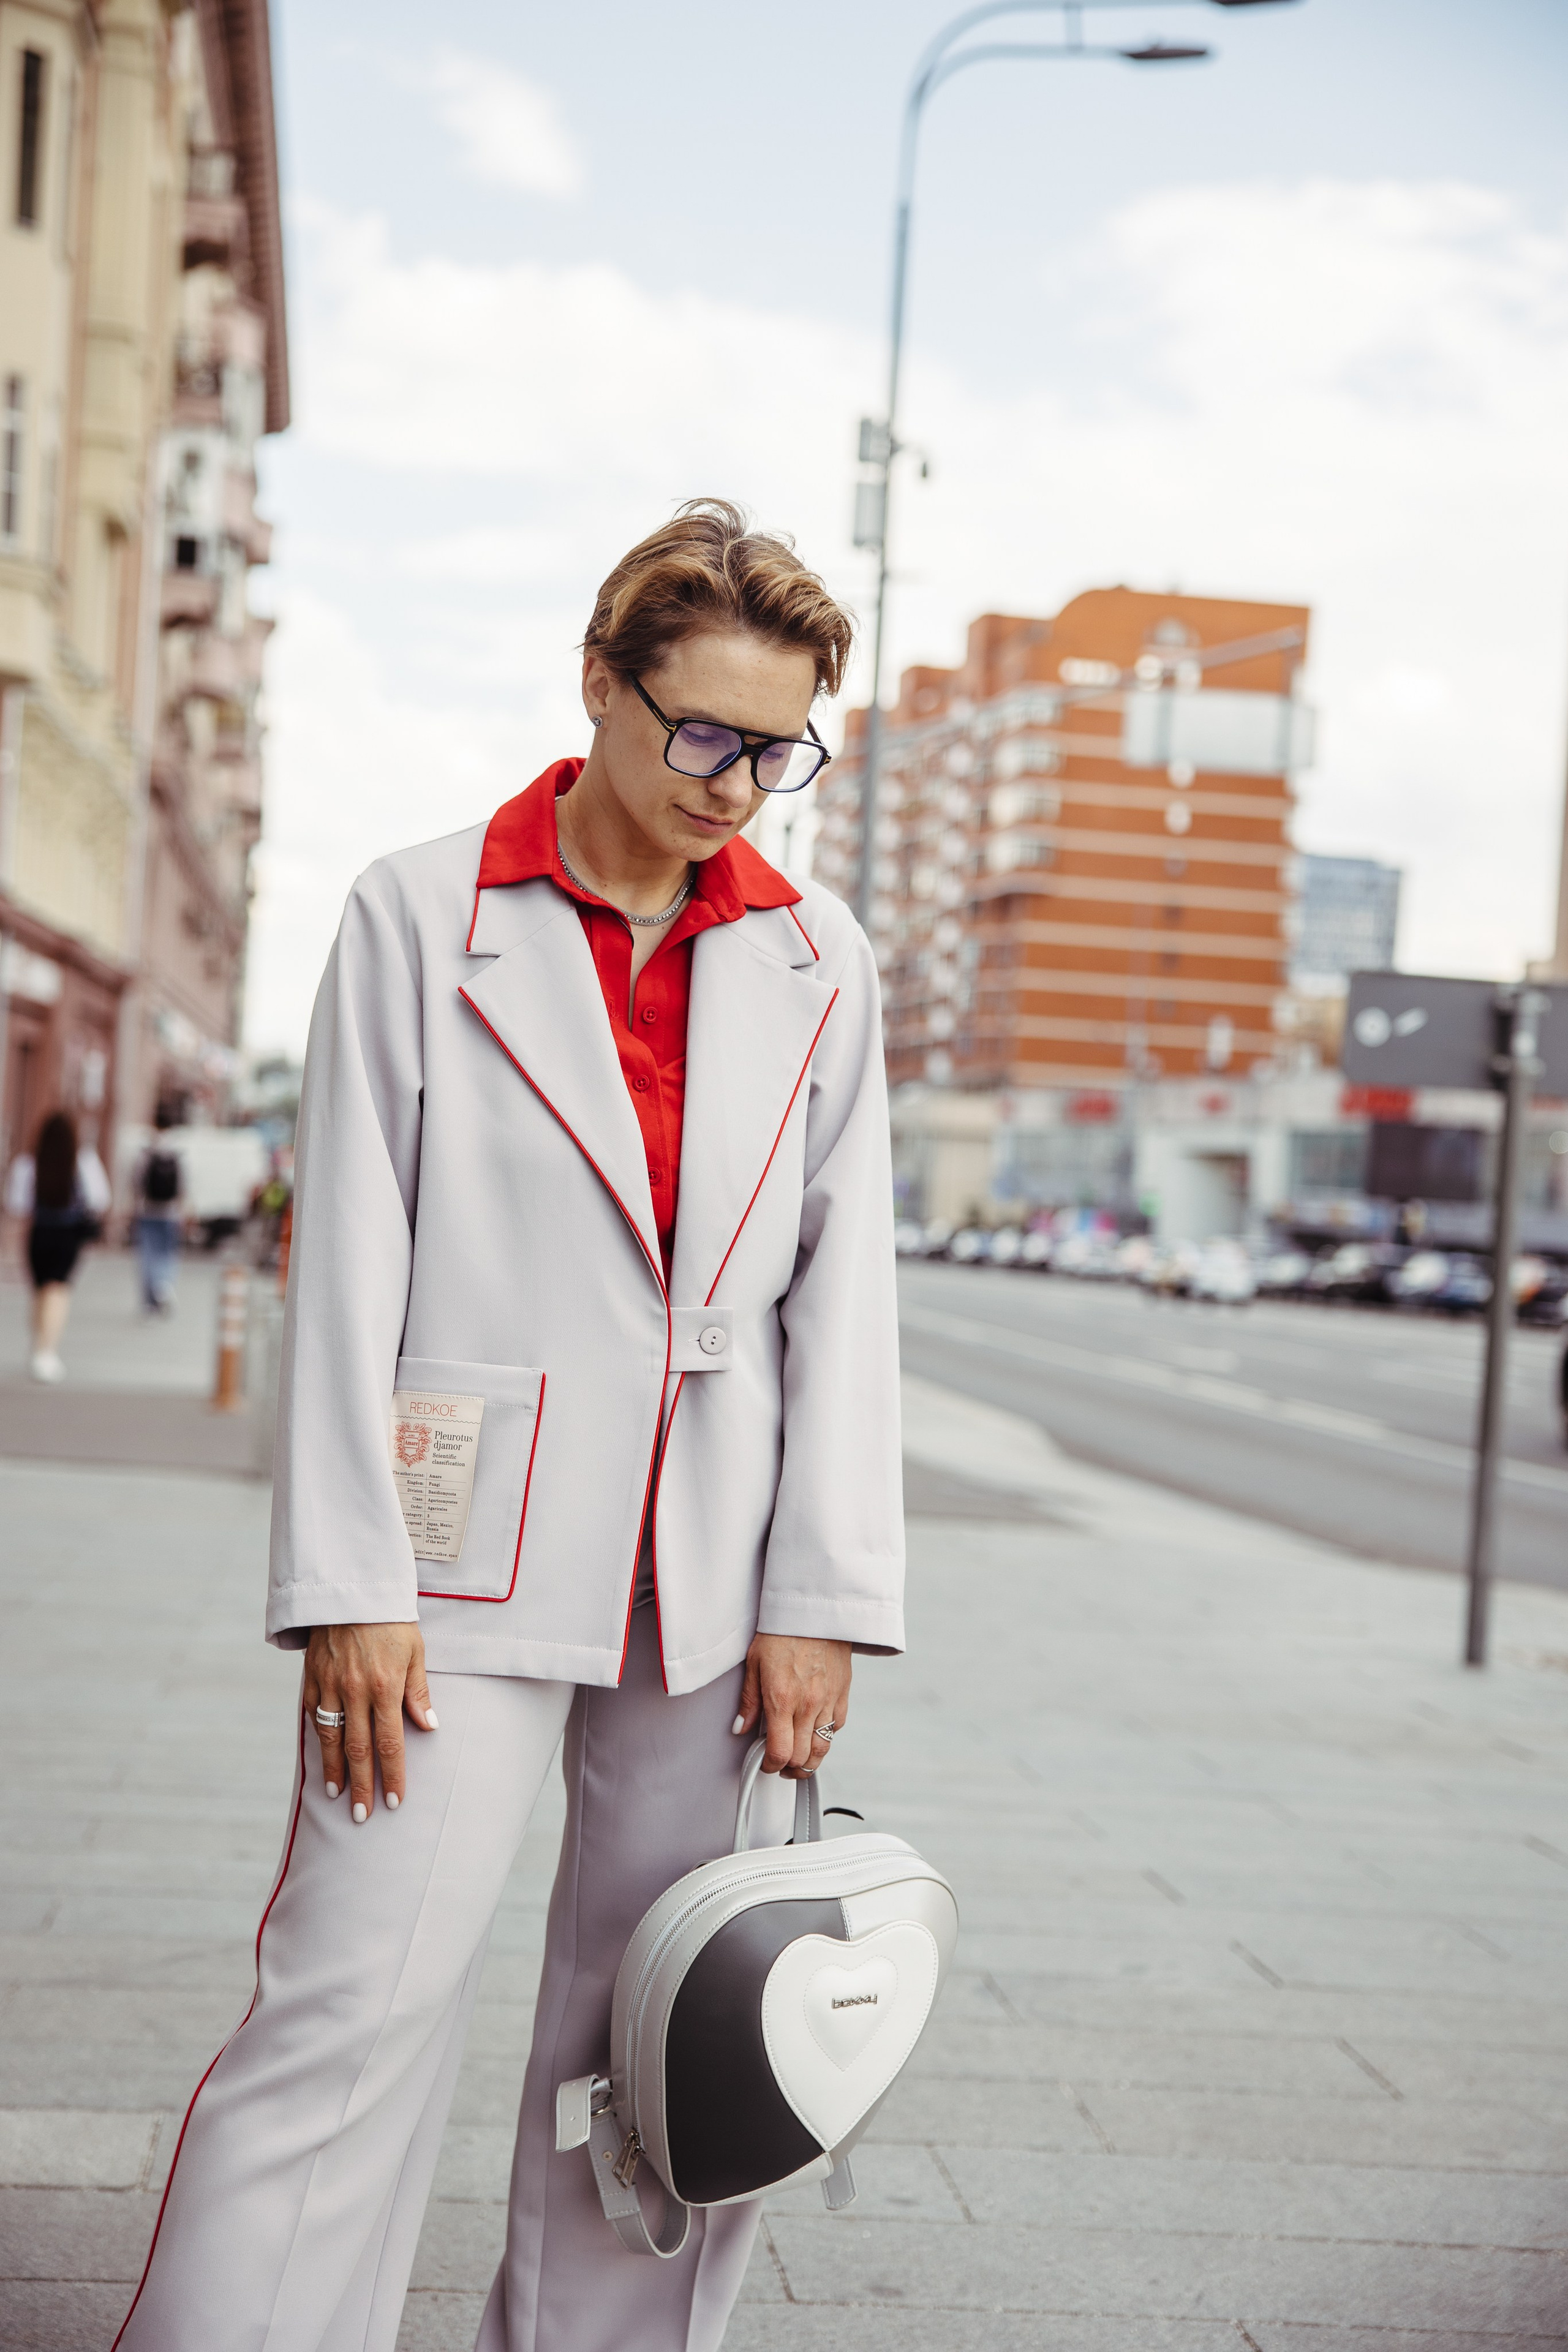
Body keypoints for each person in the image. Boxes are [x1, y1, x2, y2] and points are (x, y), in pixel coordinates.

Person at [115, 499, 904, 2352]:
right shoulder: (418, 908)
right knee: (353, 1996)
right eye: (700, 731)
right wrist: (343, 1580)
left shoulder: (821, 957)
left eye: (776, 749)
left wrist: (825, 1593)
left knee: (660, 2047)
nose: (735, 786)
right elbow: (346, 1264)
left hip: (708, 1585)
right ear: (598, 682)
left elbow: (841, 1297)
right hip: (444, 1562)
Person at [3, 1108, 111, 1381]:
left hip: (40, 1232)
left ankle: (39, 1345)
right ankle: (47, 1350)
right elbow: (100, 1198)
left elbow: (16, 1203)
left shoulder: (29, 1163)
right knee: (58, 1290)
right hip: (68, 1235)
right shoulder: (83, 1161)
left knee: (41, 1291)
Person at [131, 1104, 186, 1312]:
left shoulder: (146, 1150)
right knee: (167, 1254)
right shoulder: (177, 1151)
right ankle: (164, 1285)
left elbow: (136, 1181)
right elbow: (184, 1185)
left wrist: (135, 1206)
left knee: (147, 1255)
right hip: (170, 1212)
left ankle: (149, 1301)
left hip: (147, 1211)